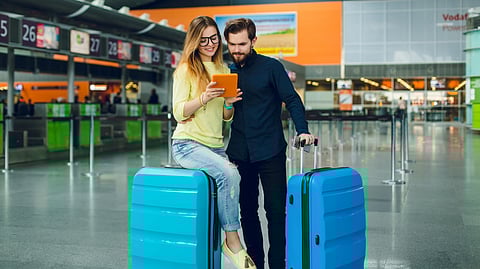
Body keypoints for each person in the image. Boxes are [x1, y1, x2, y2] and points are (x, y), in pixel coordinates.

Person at [223, 18, 315, 269]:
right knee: (248, 214)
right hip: (240, 153)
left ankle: (277, 265)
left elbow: (292, 100)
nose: (237, 49)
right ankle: (256, 265)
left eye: (242, 44)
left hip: (271, 151)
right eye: (232, 44)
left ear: (253, 41)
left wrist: (303, 130)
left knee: (276, 214)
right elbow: (223, 111)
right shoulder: (228, 72)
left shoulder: (272, 67)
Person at [171, 16, 256, 269]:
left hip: (215, 145)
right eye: (203, 39)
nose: (209, 44)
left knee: (229, 181)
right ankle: (232, 241)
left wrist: (229, 103)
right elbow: (178, 112)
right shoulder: (186, 69)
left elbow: (226, 118)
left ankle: (221, 244)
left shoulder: (224, 71)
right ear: (195, 41)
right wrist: (204, 97)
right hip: (187, 144)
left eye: (213, 38)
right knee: (230, 174)